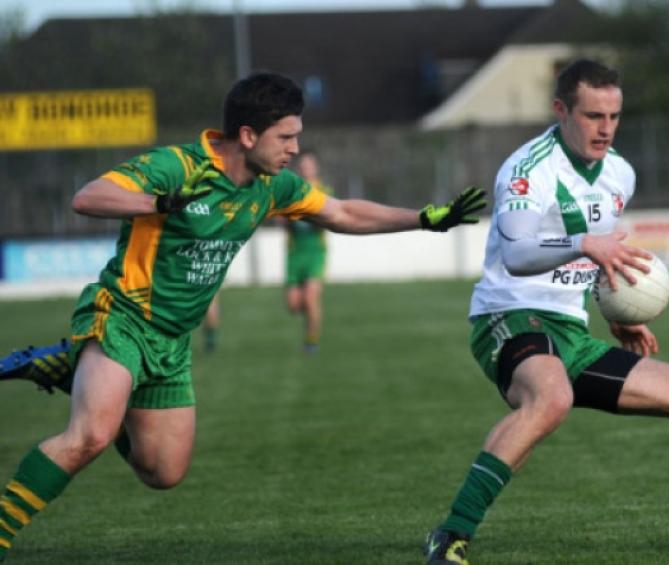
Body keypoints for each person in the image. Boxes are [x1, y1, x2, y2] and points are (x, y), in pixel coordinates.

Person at [0, 70, 486, 562]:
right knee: (90, 437)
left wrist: (422, 219)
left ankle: (70, 368)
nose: (295, 149)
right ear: (249, 135)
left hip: (171, 343)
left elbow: (340, 213)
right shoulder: (178, 166)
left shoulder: (272, 186)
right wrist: (159, 203)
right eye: (286, 137)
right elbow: (87, 197)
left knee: (163, 471)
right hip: (122, 316)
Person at [422, 59, 669, 565]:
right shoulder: (527, 168)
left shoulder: (620, 173)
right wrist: (584, 243)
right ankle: (450, 535)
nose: (606, 129)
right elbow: (517, 253)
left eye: (614, 116)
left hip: (571, 330)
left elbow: (595, 257)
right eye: (593, 115)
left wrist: (614, 307)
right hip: (510, 315)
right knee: (551, 398)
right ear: (561, 110)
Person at [284, 149, 332, 354]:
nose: (305, 168)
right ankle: (310, 314)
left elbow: (330, 219)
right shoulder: (291, 190)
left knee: (311, 299)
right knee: (293, 305)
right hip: (295, 252)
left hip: (315, 251)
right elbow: (283, 220)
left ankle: (311, 341)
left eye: (309, 164)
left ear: (316, 168)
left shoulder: (324, 191)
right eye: (302, 165)